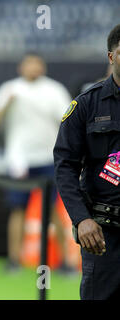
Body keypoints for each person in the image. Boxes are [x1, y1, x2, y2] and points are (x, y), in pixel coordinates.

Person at [0, 53, 74, 272]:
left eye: (36, 63)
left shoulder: (54, 90)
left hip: (48, 158)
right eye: (29, 63)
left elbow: (68, 122)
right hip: (19, 159)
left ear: (42, 66)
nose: (32, 67)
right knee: (18, 208)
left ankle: (64, 263)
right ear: (21, 66)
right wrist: (7, 105)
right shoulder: (10, 89)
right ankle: (14, 260)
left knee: (52, 209)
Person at [54, 24, 120, 299]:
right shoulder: (86, 105)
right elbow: (65, 165)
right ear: (111, 57)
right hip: (104, 234)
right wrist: (81, 219)